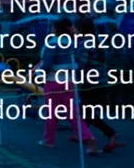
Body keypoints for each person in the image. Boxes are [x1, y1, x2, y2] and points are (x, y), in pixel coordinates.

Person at [37, 17, 98, 155]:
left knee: (51, 114)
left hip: (53, 81)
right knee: (73, 114)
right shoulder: (72, 43)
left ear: (56, 29)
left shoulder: (53, 43)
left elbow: (47, 64)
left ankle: (48, 140)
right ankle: (89, 137)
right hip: (68, 82)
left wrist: (38, 74)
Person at [73, 17, 122, 151]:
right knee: (86, 110)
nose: (74, 30)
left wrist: (74, 79)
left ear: (81, 29)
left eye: (75, 27)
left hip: (90, 83)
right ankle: (82, 134)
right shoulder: (97, 40)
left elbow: (81, 65)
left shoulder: (85, 43)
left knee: (86, 111)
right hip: (101, 81)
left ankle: (110, 133)